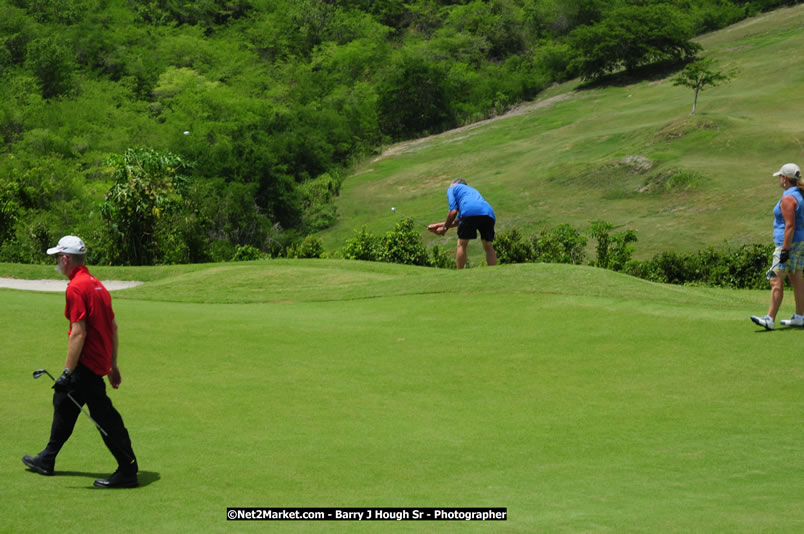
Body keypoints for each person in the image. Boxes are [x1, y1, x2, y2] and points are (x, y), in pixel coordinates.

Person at [23, 235, 139, 488]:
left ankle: (128, 469)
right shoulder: (97, 285)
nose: (56, 262)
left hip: (86, 365)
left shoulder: (76, 288)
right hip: (97, 362)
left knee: (104, 417)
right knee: (64, 404)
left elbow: (79, 333)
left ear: (66, 259)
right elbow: (113, 328)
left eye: (57, 258)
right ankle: (47, 458)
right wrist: (112, 365)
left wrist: (67, 372)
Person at [751, 163, 804, 330]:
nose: (779, 179)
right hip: (799, 243)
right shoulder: (800, 195)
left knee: (775, 279)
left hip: (786, 244)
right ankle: (800, 316)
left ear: (785, 179)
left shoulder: (788, 198)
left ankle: (770, 319)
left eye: (780, 176)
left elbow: (790, 226)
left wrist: (785, 250)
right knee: (796, 278)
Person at [428, 178, 497, 269]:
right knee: (488, 245)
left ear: (456, 183)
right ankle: (493, 272)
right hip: (488, 213)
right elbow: (462, 220)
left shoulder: (453, 188)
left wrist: (444, 229)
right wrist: (439, 225)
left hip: (469, 211)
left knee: (462, 244)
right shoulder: (472, 191)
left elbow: (453, 212)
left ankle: (460, 273)